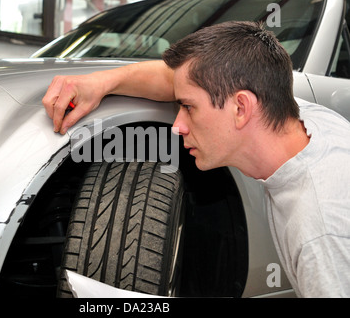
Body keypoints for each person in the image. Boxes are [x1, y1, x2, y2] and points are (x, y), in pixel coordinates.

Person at [43, 21, 350, 297]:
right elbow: (179, 78)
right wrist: (101, 83)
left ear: (241, 109)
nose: (177, 126)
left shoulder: (320, 236)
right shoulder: (301, 116)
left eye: (188, 108)